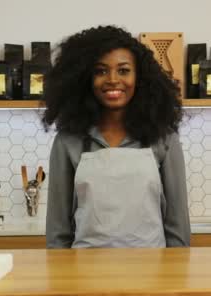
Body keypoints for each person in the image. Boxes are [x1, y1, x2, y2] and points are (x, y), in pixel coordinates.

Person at [42, 25, 190, 248]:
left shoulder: (164, 139)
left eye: (123, 70)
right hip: (84, 273)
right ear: (84, 79)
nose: (112, 79)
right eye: (100, 71)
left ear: (139, 78)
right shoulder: (68, 141)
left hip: (153, 272)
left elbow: (177, 226)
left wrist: (175, 275)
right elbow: (58, 229)